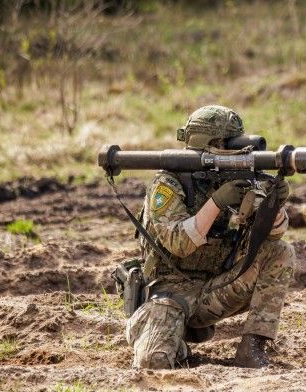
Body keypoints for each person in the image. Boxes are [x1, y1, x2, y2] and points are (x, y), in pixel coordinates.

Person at [124, 105, 295, 369]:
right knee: (153, 362)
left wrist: (274, 204)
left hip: (215, 288)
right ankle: (167, 339)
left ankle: (252, 348)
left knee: (280, 251)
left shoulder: (237, 179)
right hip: (171, 293)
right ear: (210, 143)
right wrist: (217, 202)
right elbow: (178, 243)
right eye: (229, 143)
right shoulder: (169, 184)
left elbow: (273, 234)